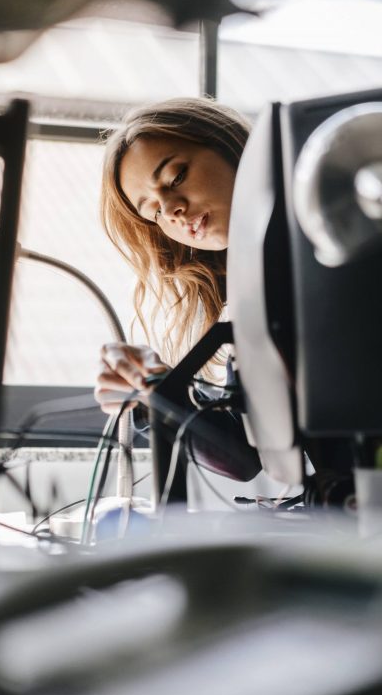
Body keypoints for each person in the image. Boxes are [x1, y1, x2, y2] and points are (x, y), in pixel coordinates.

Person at [93, 97, 262, 482]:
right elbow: (244, 458)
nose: (171, 209)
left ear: (232, 148)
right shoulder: (247, 296)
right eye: (152, 211)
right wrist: (155, 395)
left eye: (176, 177)